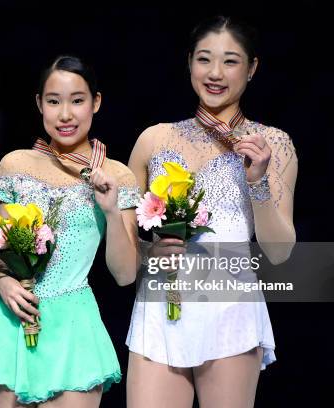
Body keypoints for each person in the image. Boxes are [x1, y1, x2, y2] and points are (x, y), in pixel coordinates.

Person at [126, 16, 298, 408]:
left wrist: (257, 179)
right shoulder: (154, 138)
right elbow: (125, 241)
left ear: (252, 68)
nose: (215, 73)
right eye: (205, 59)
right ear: (189, 63)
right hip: (160, 307)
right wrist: (149, 252)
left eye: (231, 61)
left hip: (230, 310)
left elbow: (280, 250)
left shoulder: (273, 144)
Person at [0, 55, 140, 407]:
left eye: (77, 100)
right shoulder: (15, 164)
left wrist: (109, 209)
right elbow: (2, 251)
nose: (65, 114)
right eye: (53, 101)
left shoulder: (117, 175)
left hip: (73, 326)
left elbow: (125, 275)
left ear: (96, 102)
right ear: (39, 104)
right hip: (12, 319)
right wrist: (1, 281)